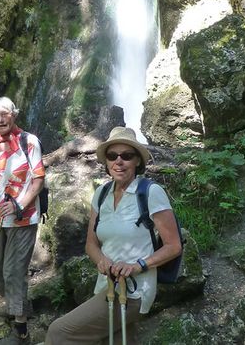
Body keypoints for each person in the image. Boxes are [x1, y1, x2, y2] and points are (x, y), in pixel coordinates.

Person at [45, 126, 182, 344]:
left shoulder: (151, 192)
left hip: (135, 291)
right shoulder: (101, 194)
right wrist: (102, 261)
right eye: (112, 156)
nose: (119, 161)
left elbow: (174, 246)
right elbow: (91, 244)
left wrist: (138, 265)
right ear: (106, 162)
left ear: (137, 161)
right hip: (106, 287)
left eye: (126, 156)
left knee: (59, 332)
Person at [0, 96, 45, 345]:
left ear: (14, 115)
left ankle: (21, 330)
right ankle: (19, 306)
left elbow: (38, 180)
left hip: (23, 218)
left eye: (5, 114)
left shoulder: (29, 142)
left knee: (14, 271)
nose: (0, 119)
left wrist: (19, 204)